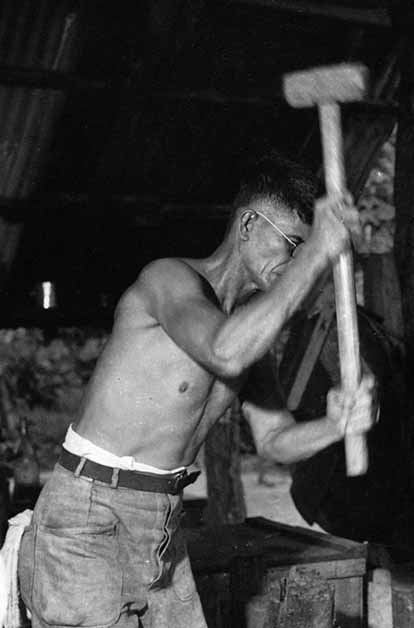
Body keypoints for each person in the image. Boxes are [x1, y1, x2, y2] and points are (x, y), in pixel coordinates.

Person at [17, 155, 377, 628]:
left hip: (162, 524)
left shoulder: (247, 334)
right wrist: (316, 255)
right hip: (88, 515)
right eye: (292, 243)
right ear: (249, 223)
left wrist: (336, 425)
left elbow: (274, 441)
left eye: (302, 250)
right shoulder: (169, 280)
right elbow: (223, 352)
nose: (294, 261)